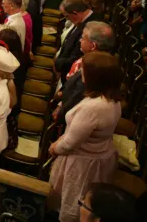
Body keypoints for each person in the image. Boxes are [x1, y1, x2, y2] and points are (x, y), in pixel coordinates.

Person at [49, 52, 123, 222]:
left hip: (83, 162)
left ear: (96, 78)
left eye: (84, 70)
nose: (81, 72)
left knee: (74, 201)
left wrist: (54, 148)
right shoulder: (112, 98)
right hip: (97, 155)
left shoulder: (93, 108)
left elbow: (71, 142)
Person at [53, 22, 116, 124]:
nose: (80, 40)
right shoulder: (97, 60)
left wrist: (60, 113)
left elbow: (76, 97)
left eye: (82, 38)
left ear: (93, 45)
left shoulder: (94, 69)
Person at [54, 0, 100, 83]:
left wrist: (58, 64)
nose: (67, 19)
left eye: (67, 16)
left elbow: (78, 56)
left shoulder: (91, 28)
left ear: (75, 13)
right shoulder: (82, 21)